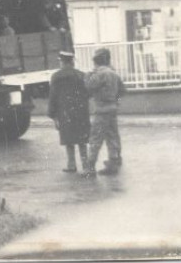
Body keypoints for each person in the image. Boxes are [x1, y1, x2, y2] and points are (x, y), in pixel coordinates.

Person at [85, 48, 126, 176]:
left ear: (96, 62)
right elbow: (123, 91)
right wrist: (116, 101)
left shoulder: (100, 74)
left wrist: (88, 75)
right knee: (112, 136)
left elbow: (88, 86)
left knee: (95, 138)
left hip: (101, 109)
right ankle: (113, 163)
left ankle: (90, 168)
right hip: (112, 109)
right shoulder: (114, 73)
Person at [48, 51, 90, 173]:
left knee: (68, 139)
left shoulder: (56, 76)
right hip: (81, 111)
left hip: (64, 112)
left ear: (62, 61)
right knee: (82, 139)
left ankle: (71, 165)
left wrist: (53, 114)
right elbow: (88, 93)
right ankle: (86, 165)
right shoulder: (82, 75)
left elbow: (53, 96)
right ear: (72, 62)